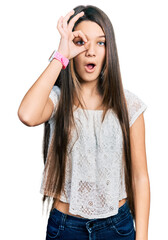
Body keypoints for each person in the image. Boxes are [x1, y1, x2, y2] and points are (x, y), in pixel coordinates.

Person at [18, 5, 150, 240]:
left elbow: (140, 177)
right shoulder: (58, 100)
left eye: (100, 43)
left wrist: (143, 237)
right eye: (81, 42)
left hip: (117, 228)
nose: (91, 51)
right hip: (65, 228)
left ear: (110, 50)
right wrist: (61, 54)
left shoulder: (129, 105)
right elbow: (27, 115)